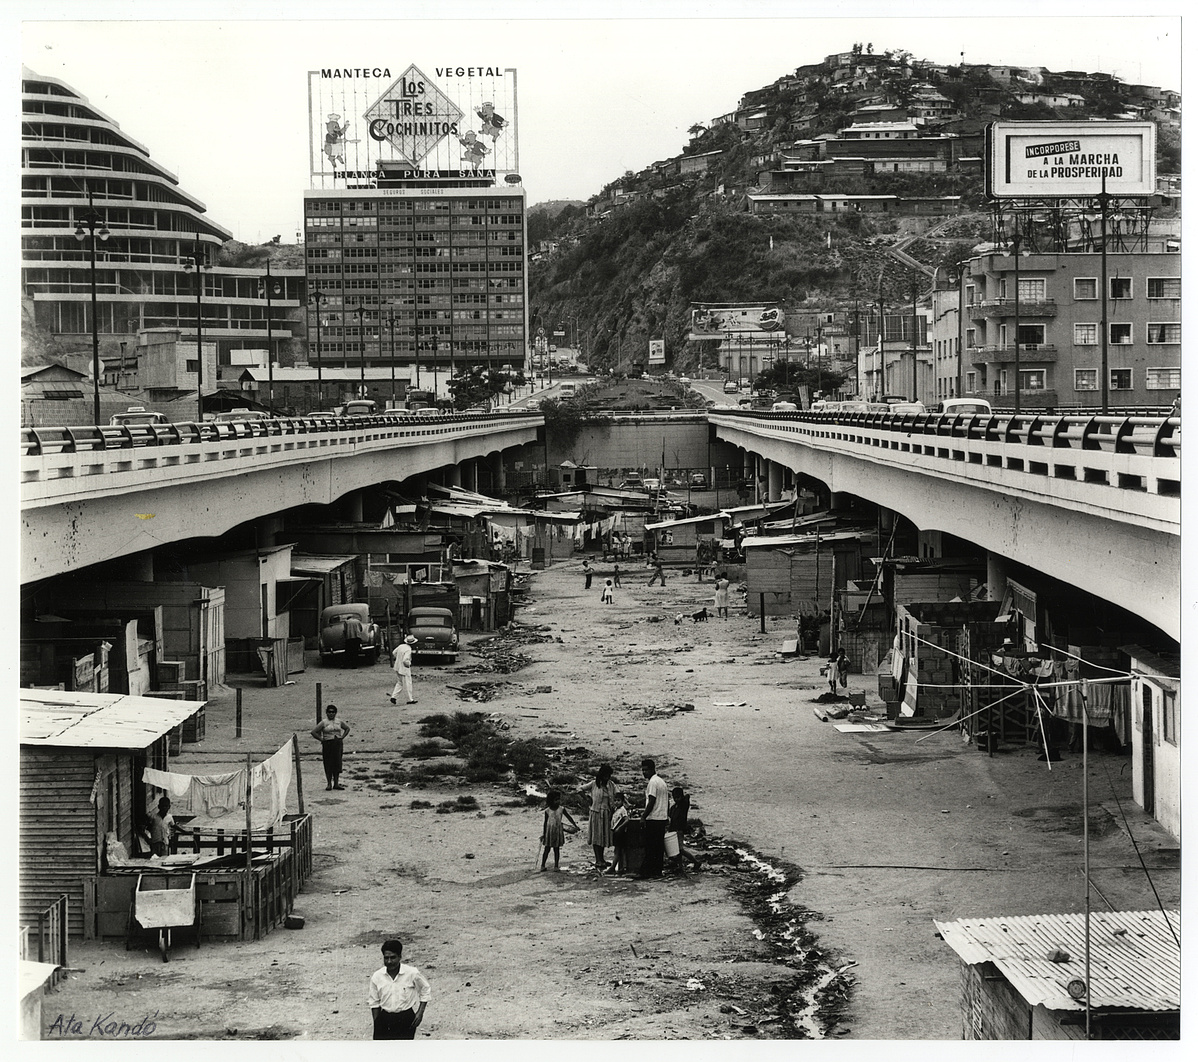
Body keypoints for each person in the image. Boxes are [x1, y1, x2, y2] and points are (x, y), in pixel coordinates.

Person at [368, 938, 430, 1040]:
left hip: (405, 1019)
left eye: (393, 957)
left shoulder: (411, 973)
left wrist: (420, 1013)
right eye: (386, 958)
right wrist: (377, 1022)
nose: (389, 961)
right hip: (385, 1019)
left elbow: (425, 989)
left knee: (404, 1052)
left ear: (400, 957)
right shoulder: (377, 976)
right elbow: (374, 1002)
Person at [578, 765, 618, 870]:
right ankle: (598, 859)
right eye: (605, 775)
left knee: (603, 836)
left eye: (609, 775)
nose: (607, 778)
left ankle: (602, 859)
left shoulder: (611, 785)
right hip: (595, 813)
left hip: (606, 814)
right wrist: (587, 799)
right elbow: (580, 789)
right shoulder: (594, 784)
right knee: (596, 837)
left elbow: (619, 795)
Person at [637, 758, 669, 879]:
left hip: (654, 818)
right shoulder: (661, 782)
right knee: (658, 847)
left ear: (652, 769)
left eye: (646, 770)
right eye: (642, 770)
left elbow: (652, 800)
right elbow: (666, 801)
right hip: (661, 818)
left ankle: (646, 872)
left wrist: (643, 816)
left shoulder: (653, 783)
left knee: (650, 847)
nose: (644, 772)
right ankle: (657, 871)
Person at [311, 704, 350, 790]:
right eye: (329, 712)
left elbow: (347, 728)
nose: (331, 714)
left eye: (333, 712)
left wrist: (342, 737)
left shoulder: (339, 722)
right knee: (328, 763)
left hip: (337, 744)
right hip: (328, 744)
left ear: (335, 713)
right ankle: (329, 784)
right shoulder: (324, 722)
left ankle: (336, 783)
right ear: (327, 713)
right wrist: (321, 739)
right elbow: (313, 732)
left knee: (337, 763)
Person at [540, 790, 579, 872]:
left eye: (559, 799)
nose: (558, 801)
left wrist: (575, 825)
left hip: (557, 831)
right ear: (551, 801)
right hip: (549, 832)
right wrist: (544, 834)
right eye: (556, 799)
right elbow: (545, 823)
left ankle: (556, 866)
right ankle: (542, 865)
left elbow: (569, 817)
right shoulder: (547, 811)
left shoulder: (561, 809)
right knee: (547, 849)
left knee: (556, 849)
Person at [667, 786, 702, 871]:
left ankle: (695, 862)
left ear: (681, 797)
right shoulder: (673, 808)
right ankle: (680, 866)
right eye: (675, 798)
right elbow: (670, 816)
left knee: (679, 850)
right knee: (677, 850)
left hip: (679, 830)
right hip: (673, 830)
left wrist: (682, 798)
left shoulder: (683, 806)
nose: (676, 799)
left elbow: (687, 797)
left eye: (678, 797)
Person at [390, 634, 418, 705]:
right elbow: (405, 660)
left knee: (399, 683)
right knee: (408, 683)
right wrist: (408, 664)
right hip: (404, 668)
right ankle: (410, 699)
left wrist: (398, 658)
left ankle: (394, 696)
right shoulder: (408, 649)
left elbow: (394, 652)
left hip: (397, 666)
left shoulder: (401, 646)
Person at [609, 794, 630, 875]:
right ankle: (621, 867)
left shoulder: (622, 810)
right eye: (615, 800)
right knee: (618, 850)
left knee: (618, 850)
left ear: (622, 801)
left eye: (618, 800)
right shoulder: (615, 809)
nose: (616, 802)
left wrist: (620, 828)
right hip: (615, 832)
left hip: (620, 833)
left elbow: (627, 820)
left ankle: (613, 867)